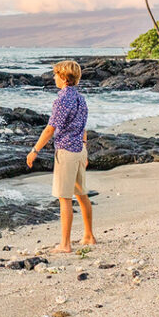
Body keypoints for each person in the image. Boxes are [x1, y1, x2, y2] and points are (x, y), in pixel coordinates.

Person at [26, 60, 96, 252]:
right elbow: (83, 127)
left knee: (64, 198)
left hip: (66, 152)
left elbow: (50, 129)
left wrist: (35, 150)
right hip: (80, 150)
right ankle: (89, 236)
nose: (54, 77)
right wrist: (84, 149)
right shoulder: (81, 99)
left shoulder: (62, 99)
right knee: (82, 195)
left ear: (64, 78)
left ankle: (65, 244)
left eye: (56, 74)